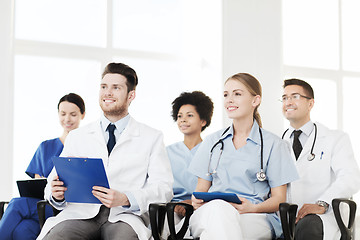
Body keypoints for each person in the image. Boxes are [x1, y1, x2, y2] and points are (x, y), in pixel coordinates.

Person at [37, 62, 173, 240]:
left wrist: (126, 198)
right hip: (80, 214)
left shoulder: (151, 137)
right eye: (104, 87)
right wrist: (56, 193)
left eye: (116, 87)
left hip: (123, 217)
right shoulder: (78, 136)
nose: (107, 92)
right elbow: (52, 184)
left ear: (131, 95)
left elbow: (164, 188)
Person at [188, 73, 299, 240]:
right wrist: (196, 200)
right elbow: (201, 189)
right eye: (226, 95)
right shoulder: (212, 142)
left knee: (213, 232)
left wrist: (253, 208)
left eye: (237, 94)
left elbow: (279, 199)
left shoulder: (274, 145)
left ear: (255, 101)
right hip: (210, 211)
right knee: (218, 211)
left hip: (255, 216)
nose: (229, 100)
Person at [281, 78, 360, 240]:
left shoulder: (335, 138)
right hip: (287, 217)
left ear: (311, 104)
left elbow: (351, 177)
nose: (288, 102)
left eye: (294, 96)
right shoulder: (278, 144)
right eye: (284, 98)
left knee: (308, 227)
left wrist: (322, 203)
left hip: (324, 217)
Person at [0, 93, 85, 240]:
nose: (67, 119)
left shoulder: (85, 147)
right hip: (41, 206)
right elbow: (37, 184)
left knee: (16, 204)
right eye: (63, 114)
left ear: (82, 115)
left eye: (73, 114)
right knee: (23, 229)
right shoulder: (46, 147)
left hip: (67, 209)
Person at [167, 91, 214, 214]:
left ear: (203, 121)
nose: (183, 120)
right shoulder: (167, 152)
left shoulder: (212, 151)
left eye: (190, 115)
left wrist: (192, 203)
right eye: (179, 116)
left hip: (202, 207)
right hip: (172, 208)